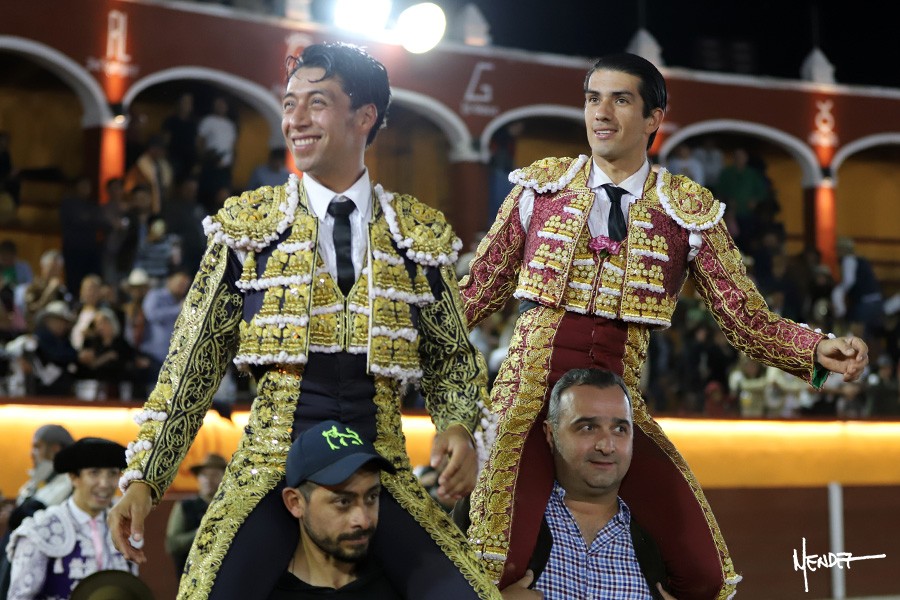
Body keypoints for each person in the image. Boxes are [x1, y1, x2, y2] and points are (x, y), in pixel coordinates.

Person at [459, 52, 869, 600]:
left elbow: (746, 319)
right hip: (527, 402)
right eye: (592, 98)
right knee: (492, 565)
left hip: (618, 410)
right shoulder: (539, 190)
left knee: (705, 575)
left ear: (653, 119)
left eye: (620, 99)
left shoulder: (688, 212)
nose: (601, 113)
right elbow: (469, 296)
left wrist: (816, 349)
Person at [109, 42, 496, 600]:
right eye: (290, 104)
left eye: (317, 103)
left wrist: (458, 425)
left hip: (378, 466)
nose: (295, 119)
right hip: (273, 468)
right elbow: (189, 368)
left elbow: (452, 361)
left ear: (364, 117)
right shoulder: (248, 229)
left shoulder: (419, 235)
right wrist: (146, 478)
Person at [485, 368, 675, 600]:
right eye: (588, 427)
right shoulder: (496, 520)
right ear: (550, 434)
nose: (607, 446)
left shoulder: (660, 549)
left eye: (619, 429)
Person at [268, 419, 402, 599]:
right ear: (295, 502)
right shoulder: (264, 591)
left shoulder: (402, 585)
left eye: (372, 497)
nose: (363, 521)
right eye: (343, 502)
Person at [6, 437, 135, 599]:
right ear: (74, 478)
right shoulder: (40, 530)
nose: (105, 483)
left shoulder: (125, 526)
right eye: (94, 473)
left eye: (112, 474)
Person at [0, 425, 75, 595]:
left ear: (55, 449)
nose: (32, 454)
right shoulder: (41, 484)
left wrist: (14, 515)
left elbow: (41, 517)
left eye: (37, 446)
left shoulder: (69, 485)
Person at [166, 453, 227, 576]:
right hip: (192, 575)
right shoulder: (185, 506)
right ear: (198, 478)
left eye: (214, 475)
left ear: (225, 478)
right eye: (204, 475)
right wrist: (199, 533)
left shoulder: (231, 507)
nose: (208, 480)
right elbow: (172, 544)